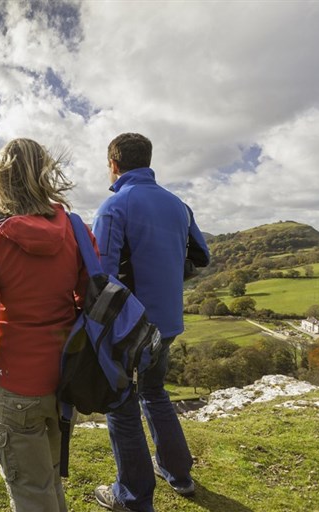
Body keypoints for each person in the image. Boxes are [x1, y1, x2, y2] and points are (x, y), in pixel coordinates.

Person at [0, 138, 93, 511]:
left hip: (14, 383)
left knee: (29, 491)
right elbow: (89, 301)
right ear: (46, 174)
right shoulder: (76, 229)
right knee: (50, 477)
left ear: (0, 179)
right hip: (65, 376)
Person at [91, 133, 210, 512]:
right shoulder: (179, 205)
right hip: (168, 323)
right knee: (155, 393)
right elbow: (202, 256)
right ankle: (179, 475)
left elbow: (101, 277)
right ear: (148, 159)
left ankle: (132, 496)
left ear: (114, 163)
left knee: (121, 403)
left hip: (130, 327)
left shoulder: (114, 206)